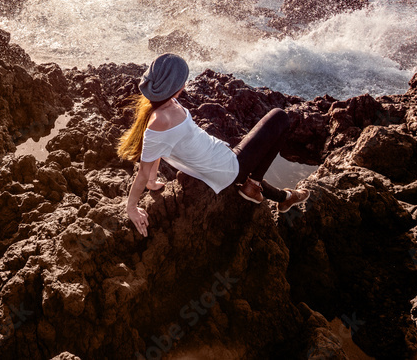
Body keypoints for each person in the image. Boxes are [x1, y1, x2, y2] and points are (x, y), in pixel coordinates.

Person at [120, 53, 310, 237]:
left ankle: (283, 197)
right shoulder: (160, 121)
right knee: (280, 117)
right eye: (183, 81)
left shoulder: (166, 105)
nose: (185, 84)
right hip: (228, 168)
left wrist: (152, 182)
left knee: (250, 168)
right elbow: (143, 171)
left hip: (222, 161)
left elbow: (158, 150)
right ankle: (257, 184)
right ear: (174, 85)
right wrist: (132, 208)